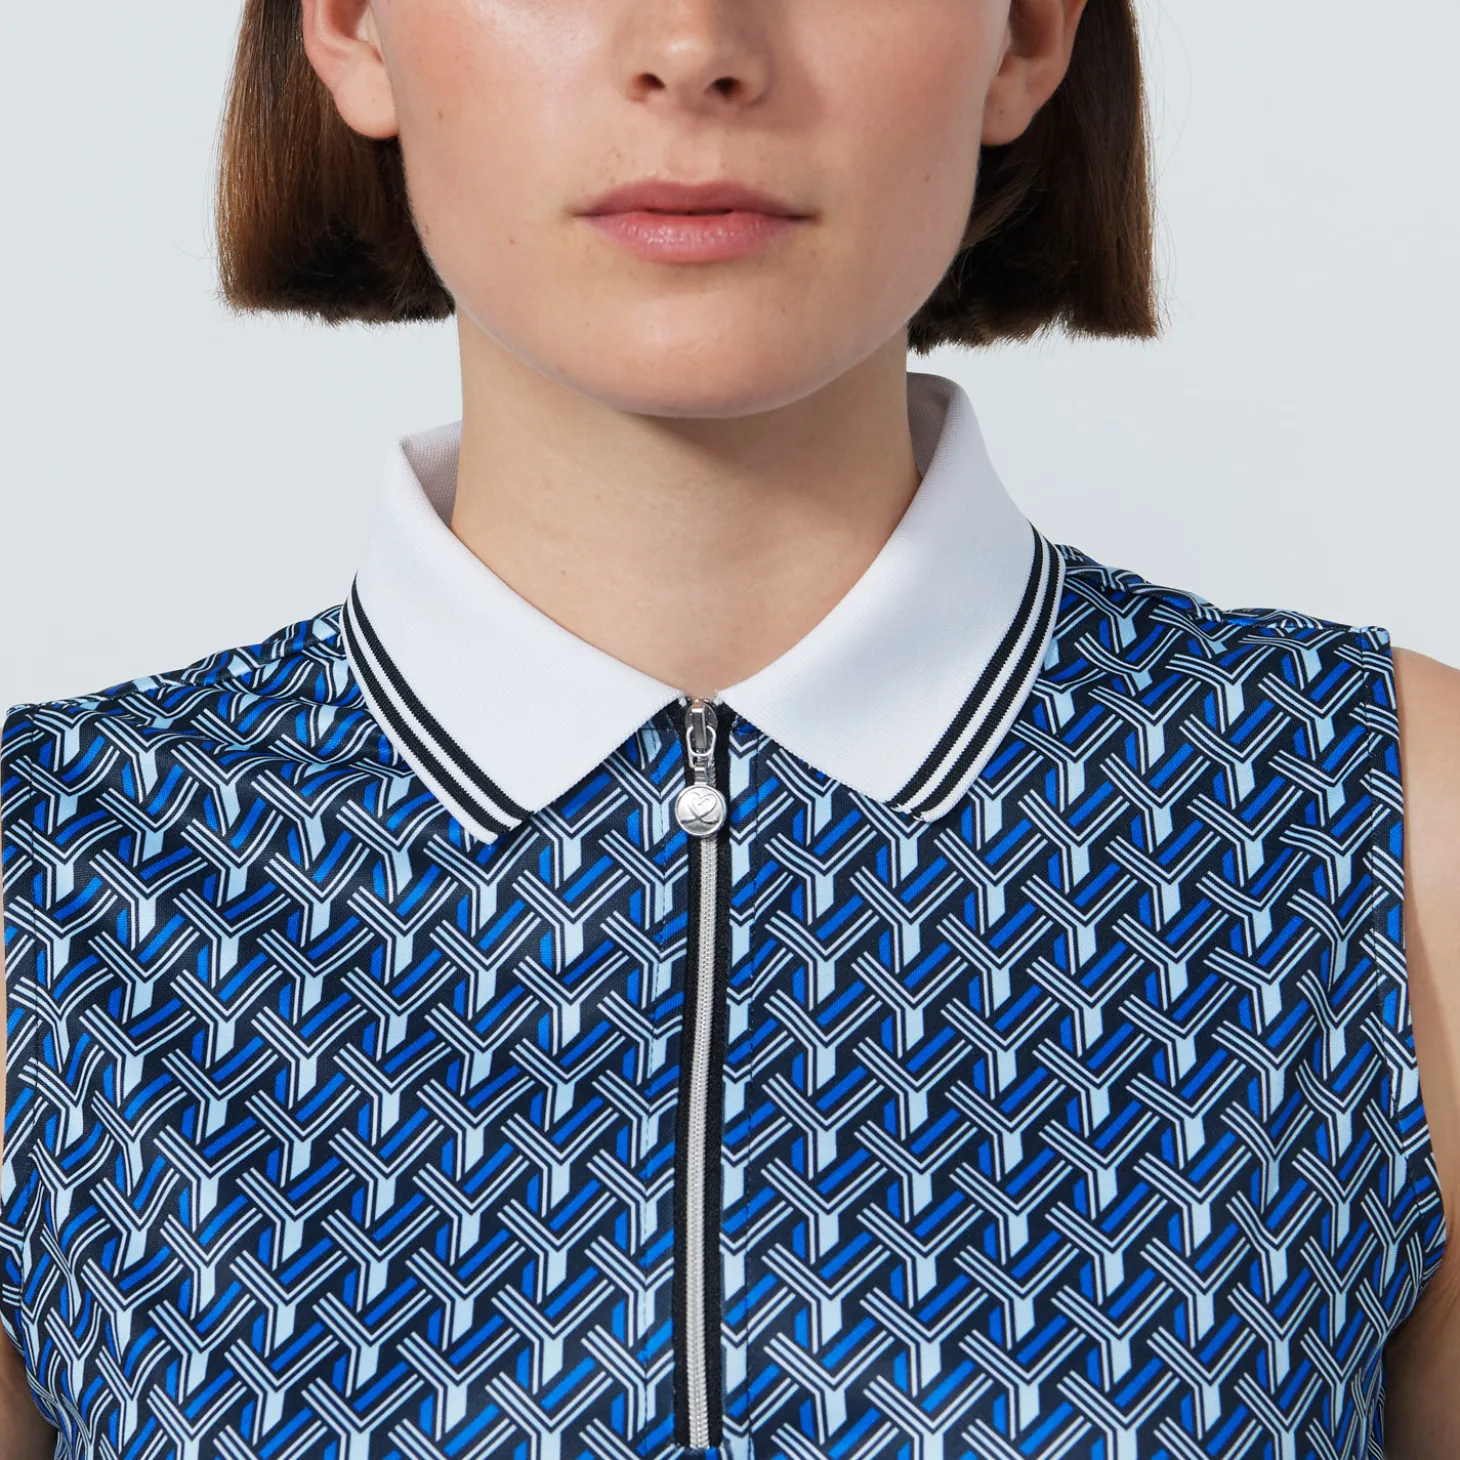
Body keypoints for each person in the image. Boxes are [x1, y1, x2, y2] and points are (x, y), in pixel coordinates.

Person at [2, 0, 1457, 1455]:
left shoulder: (1394, 820)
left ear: (1024, 33)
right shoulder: (49, 871)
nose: (694, 44)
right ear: (350, 24)